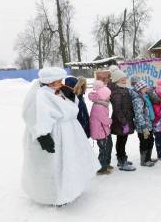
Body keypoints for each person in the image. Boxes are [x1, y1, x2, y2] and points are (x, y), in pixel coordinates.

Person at [21, 67, 99, 206]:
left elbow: (70, 109)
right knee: (56, 165)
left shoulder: (59, 91)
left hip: (69, 134)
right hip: (56, 134)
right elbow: (33, 114)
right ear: (48, 82)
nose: (60, 83)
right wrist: (43, 135)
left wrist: (72, 98)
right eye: (56, 81)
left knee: (71, 162)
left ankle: (72, 188)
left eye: (60, 81)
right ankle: (55, 195)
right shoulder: (39, 95)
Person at [109, 68, 136, 171]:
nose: (125, 81)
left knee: (122, 141)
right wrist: (124, 123)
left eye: (125, 79)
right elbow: (117, 110)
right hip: (121, 121)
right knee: (121, 141)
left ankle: (122, 158)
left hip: (126, 119)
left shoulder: (123, 89)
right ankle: (122, 161)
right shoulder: (116, 93)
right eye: (122, 80)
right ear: (116, 80)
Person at [88, 80, 113, 175]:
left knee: (108, 147)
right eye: (108, 96)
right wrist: (111, 120)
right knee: (104, 150)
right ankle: (101, 168)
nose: (109, 97)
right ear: (103, 97)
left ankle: (106, 164)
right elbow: (105, 120)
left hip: (104, 131)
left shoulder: (102, 104)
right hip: (100, 132)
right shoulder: (99, 107)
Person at [132, 80, 156, 167]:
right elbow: (138, 114)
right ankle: (144, 161)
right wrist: (143, 126)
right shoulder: (138, 100)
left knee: (150, 141)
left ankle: (148, 158)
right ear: (140, 89)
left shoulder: (143, 97)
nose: (146, 89)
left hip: (148, 124)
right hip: (143, 126)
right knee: (144, 142)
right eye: (144, 88)